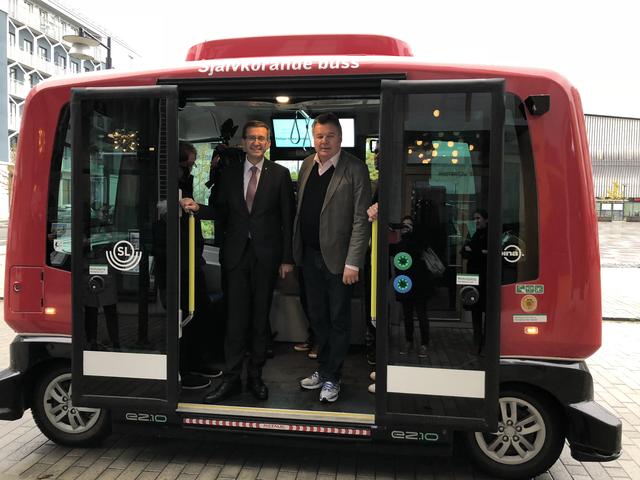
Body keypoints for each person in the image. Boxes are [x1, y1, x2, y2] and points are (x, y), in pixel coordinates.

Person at [181, 120, 295, 403]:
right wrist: (198, 208)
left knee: (259, 321)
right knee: (234, 322)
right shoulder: (229, 174)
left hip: (266, 259)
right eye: (252, 138)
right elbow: (220, 212)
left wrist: (286, 259)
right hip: (234, 257)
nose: (257, 143)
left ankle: (255, 377)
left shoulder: (280, 175)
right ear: (243, 143)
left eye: (262, 138)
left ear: (268, 143)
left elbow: (287, 219)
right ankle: (231, 379)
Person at [294, 112, 371, 403]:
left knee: (338, 320)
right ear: (313, 138)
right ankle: (323, 369)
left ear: (340, 138)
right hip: (310, 256)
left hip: (340, 262)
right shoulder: (305, 166)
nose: (324, 141)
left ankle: (333, 377)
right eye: (319, 136)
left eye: (330, 136)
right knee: (318, 318)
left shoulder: (355, 169)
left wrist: (353, 261)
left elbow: (361, 220)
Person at [176, 142, 221, 389]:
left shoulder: (185, 182)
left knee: (200, 311)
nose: (191, 168)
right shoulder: (171, 185)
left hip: (192, 257)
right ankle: (184, 368)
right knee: (187, 315)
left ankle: (197, 361)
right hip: (179, 261)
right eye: (190, 164)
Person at [391, 216, 431, 357]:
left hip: (419, 284)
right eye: (404, 226)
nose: (406, 228)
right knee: (407, 315)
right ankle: (409, 341)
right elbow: (392, 251)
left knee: (421, 315)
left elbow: (417, 248)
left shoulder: (418, 241)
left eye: (409, 225)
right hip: (404, 282)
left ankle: (424, 344)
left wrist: (411, 234)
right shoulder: (399, 242)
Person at [462, 208, 489, 354]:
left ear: (486, 219)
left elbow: (487, 254)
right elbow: (463, 252)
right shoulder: (474, 234)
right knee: (475, 313)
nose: (476, 221)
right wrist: (480, 252)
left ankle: (484, 345)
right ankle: (477, 343)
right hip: (474, 280)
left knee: (488, 315)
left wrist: (474, 251)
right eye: (474, 218)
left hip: (486, 281)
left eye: (478, 218)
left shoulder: (491, 235)